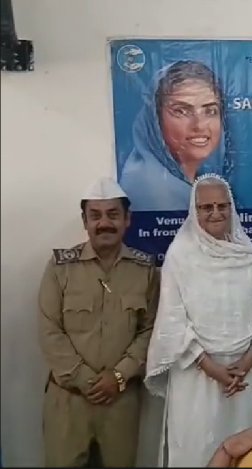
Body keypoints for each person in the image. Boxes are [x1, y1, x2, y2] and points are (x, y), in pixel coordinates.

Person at [144, 174, 252, 466]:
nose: (215, 213)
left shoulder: (247, 255)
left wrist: (244, 364)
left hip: (242, 377)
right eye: (206, 207)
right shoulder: (180, 256)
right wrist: (212, 369)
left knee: (246, 453)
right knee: (197, 452)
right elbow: (173, 321)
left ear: (231, 208)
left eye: (222, 206)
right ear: (194, 210)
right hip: (196, 377)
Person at [37, 177, 159, 467]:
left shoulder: (145, 270)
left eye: (113, 214)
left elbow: (151, 330)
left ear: (127, 219)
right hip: (68, 401)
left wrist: (118, 377)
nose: (104, 223)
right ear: (85, 221)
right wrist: (86, 381)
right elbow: (49, 331)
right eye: (95, 216)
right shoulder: (60, 268)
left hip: (121, 400)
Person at [119, 60, 232, 211]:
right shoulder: (154, 192)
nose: (199, 125)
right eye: (181, 111)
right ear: (155, 118)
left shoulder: (189, 177)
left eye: (210, 111)